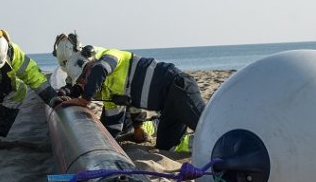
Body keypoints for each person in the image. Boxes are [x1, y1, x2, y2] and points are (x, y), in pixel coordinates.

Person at [60, 48, 206, 152]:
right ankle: (206, 147)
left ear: (89, 65)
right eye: (81, 82)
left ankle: (222, 140)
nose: (85, 83)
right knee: (167, 147)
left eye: (84, 78)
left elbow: (101, 69)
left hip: (178, 87)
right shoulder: (108, 90)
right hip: (168, 107)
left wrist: (85, 100)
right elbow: (118, 119)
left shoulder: (110, 56)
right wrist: (137, 128)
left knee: (207, 125)